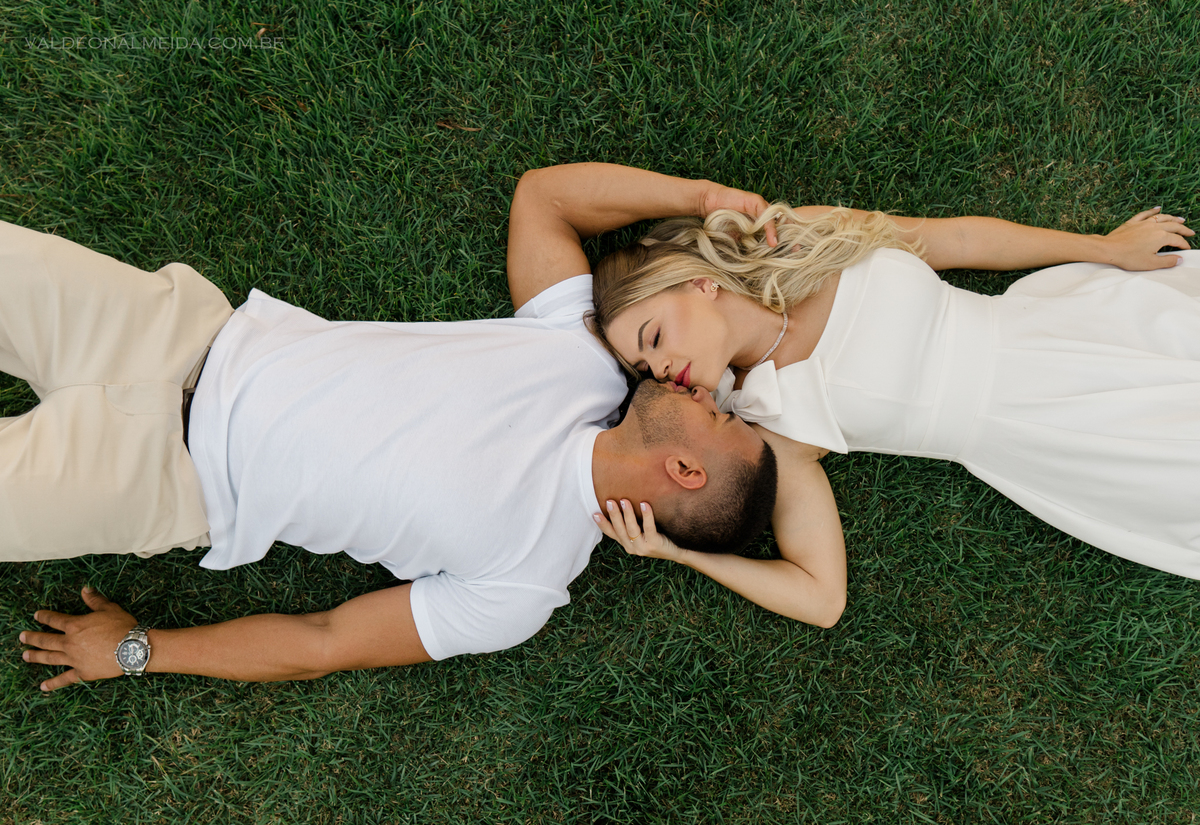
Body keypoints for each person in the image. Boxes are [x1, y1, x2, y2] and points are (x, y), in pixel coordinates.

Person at [9, 166, 780, 692]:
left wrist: (137, 650)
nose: (704, 385)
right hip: (173, 331)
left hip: (159, 479)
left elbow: (323, 641)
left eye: (713, 409)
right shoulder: (586, 355)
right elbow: (543, 198)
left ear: (685, 472)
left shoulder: (524, 584)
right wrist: (701, 194)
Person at [581, 163, 1199, 623]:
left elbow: (957, 243)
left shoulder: (801, 238)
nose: (661, 369)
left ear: (698, 283)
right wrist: (680, 554)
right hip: (1053, 432)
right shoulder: (771, 419)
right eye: (644, 365)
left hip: (1061, 328)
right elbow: (822, 599)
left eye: (655, 335)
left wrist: (1105, 250)